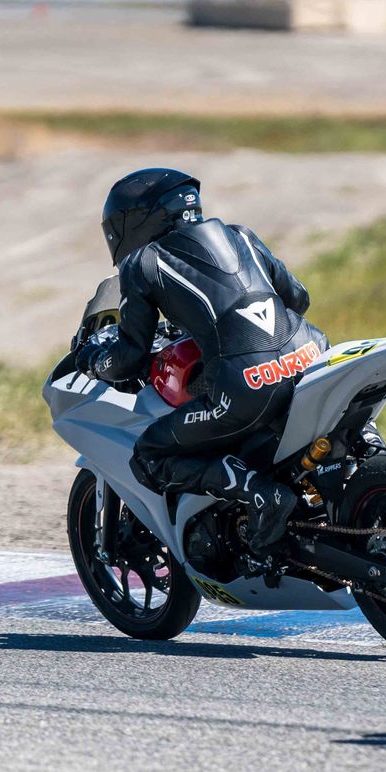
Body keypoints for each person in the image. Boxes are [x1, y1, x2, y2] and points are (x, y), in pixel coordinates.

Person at [75, 168, 326, 560]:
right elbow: (298, 299)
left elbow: (129, 358)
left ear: (134, 221)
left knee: (150, 455)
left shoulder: (143, 262)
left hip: (248, 387)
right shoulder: (241, 235)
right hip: (312, 354)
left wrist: (92, 360)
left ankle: (261, 494)